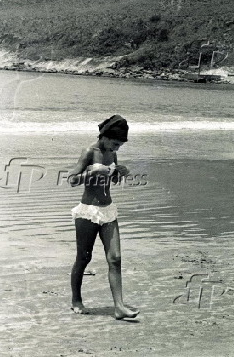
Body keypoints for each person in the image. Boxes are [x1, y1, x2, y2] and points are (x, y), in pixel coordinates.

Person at [67, 114, 139, 320]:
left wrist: (120, 173)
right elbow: (71, 179)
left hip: (108, 210)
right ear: (104, 136)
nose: (117, 149)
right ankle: (76, 300)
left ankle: (119, 307)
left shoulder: (112, 154)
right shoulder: (90, 152)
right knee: (84, 257)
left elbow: (111, 179)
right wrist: (92, 172)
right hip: (88, 212)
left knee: (115, 258)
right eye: (115, 144)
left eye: (120, 146)